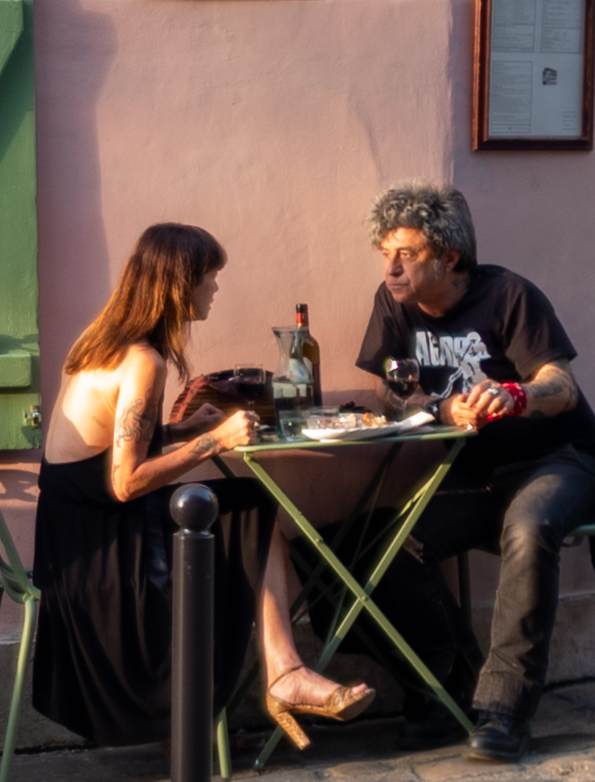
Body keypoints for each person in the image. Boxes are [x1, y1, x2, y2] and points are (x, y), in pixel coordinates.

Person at [26, 222, 372, 749]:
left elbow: (107, 449)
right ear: (178, 285)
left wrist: (182, 430)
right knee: (243, 512)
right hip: (100, 551)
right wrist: (214, 442)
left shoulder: (103, 341)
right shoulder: (144, 361)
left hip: (68, 534)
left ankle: (283, 672)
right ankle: (278, 677)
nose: (214, 289)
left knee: (248, 505)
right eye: (209, 279)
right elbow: (124, 481)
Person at [352, 185, 595, 762]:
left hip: (558, 461)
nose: (392, 267)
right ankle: (447, 689)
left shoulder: (509, 295)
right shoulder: (393, 302)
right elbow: (392, 390)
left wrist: (513, 395)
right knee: (376, 549)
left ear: (449, 257)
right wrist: (440, 409)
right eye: (386, 251)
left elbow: (561, 388)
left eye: (408, 254)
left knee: (529, 528)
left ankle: (505, 710)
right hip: (470, 471)